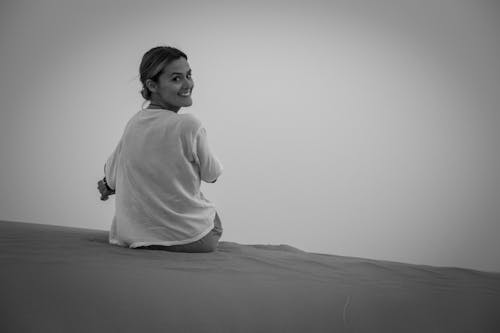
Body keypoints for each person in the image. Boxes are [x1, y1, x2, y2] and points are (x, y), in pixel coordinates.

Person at [97, 46, 223, 253]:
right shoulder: (189, 124)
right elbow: (212, 175)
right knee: (208, 211)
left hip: (133, 238)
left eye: (188, 75)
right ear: (152, 85)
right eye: (176, 79)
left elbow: (110, 178)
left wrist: (107, 186)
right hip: (192, 240)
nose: (187, 84)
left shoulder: (134, 123)